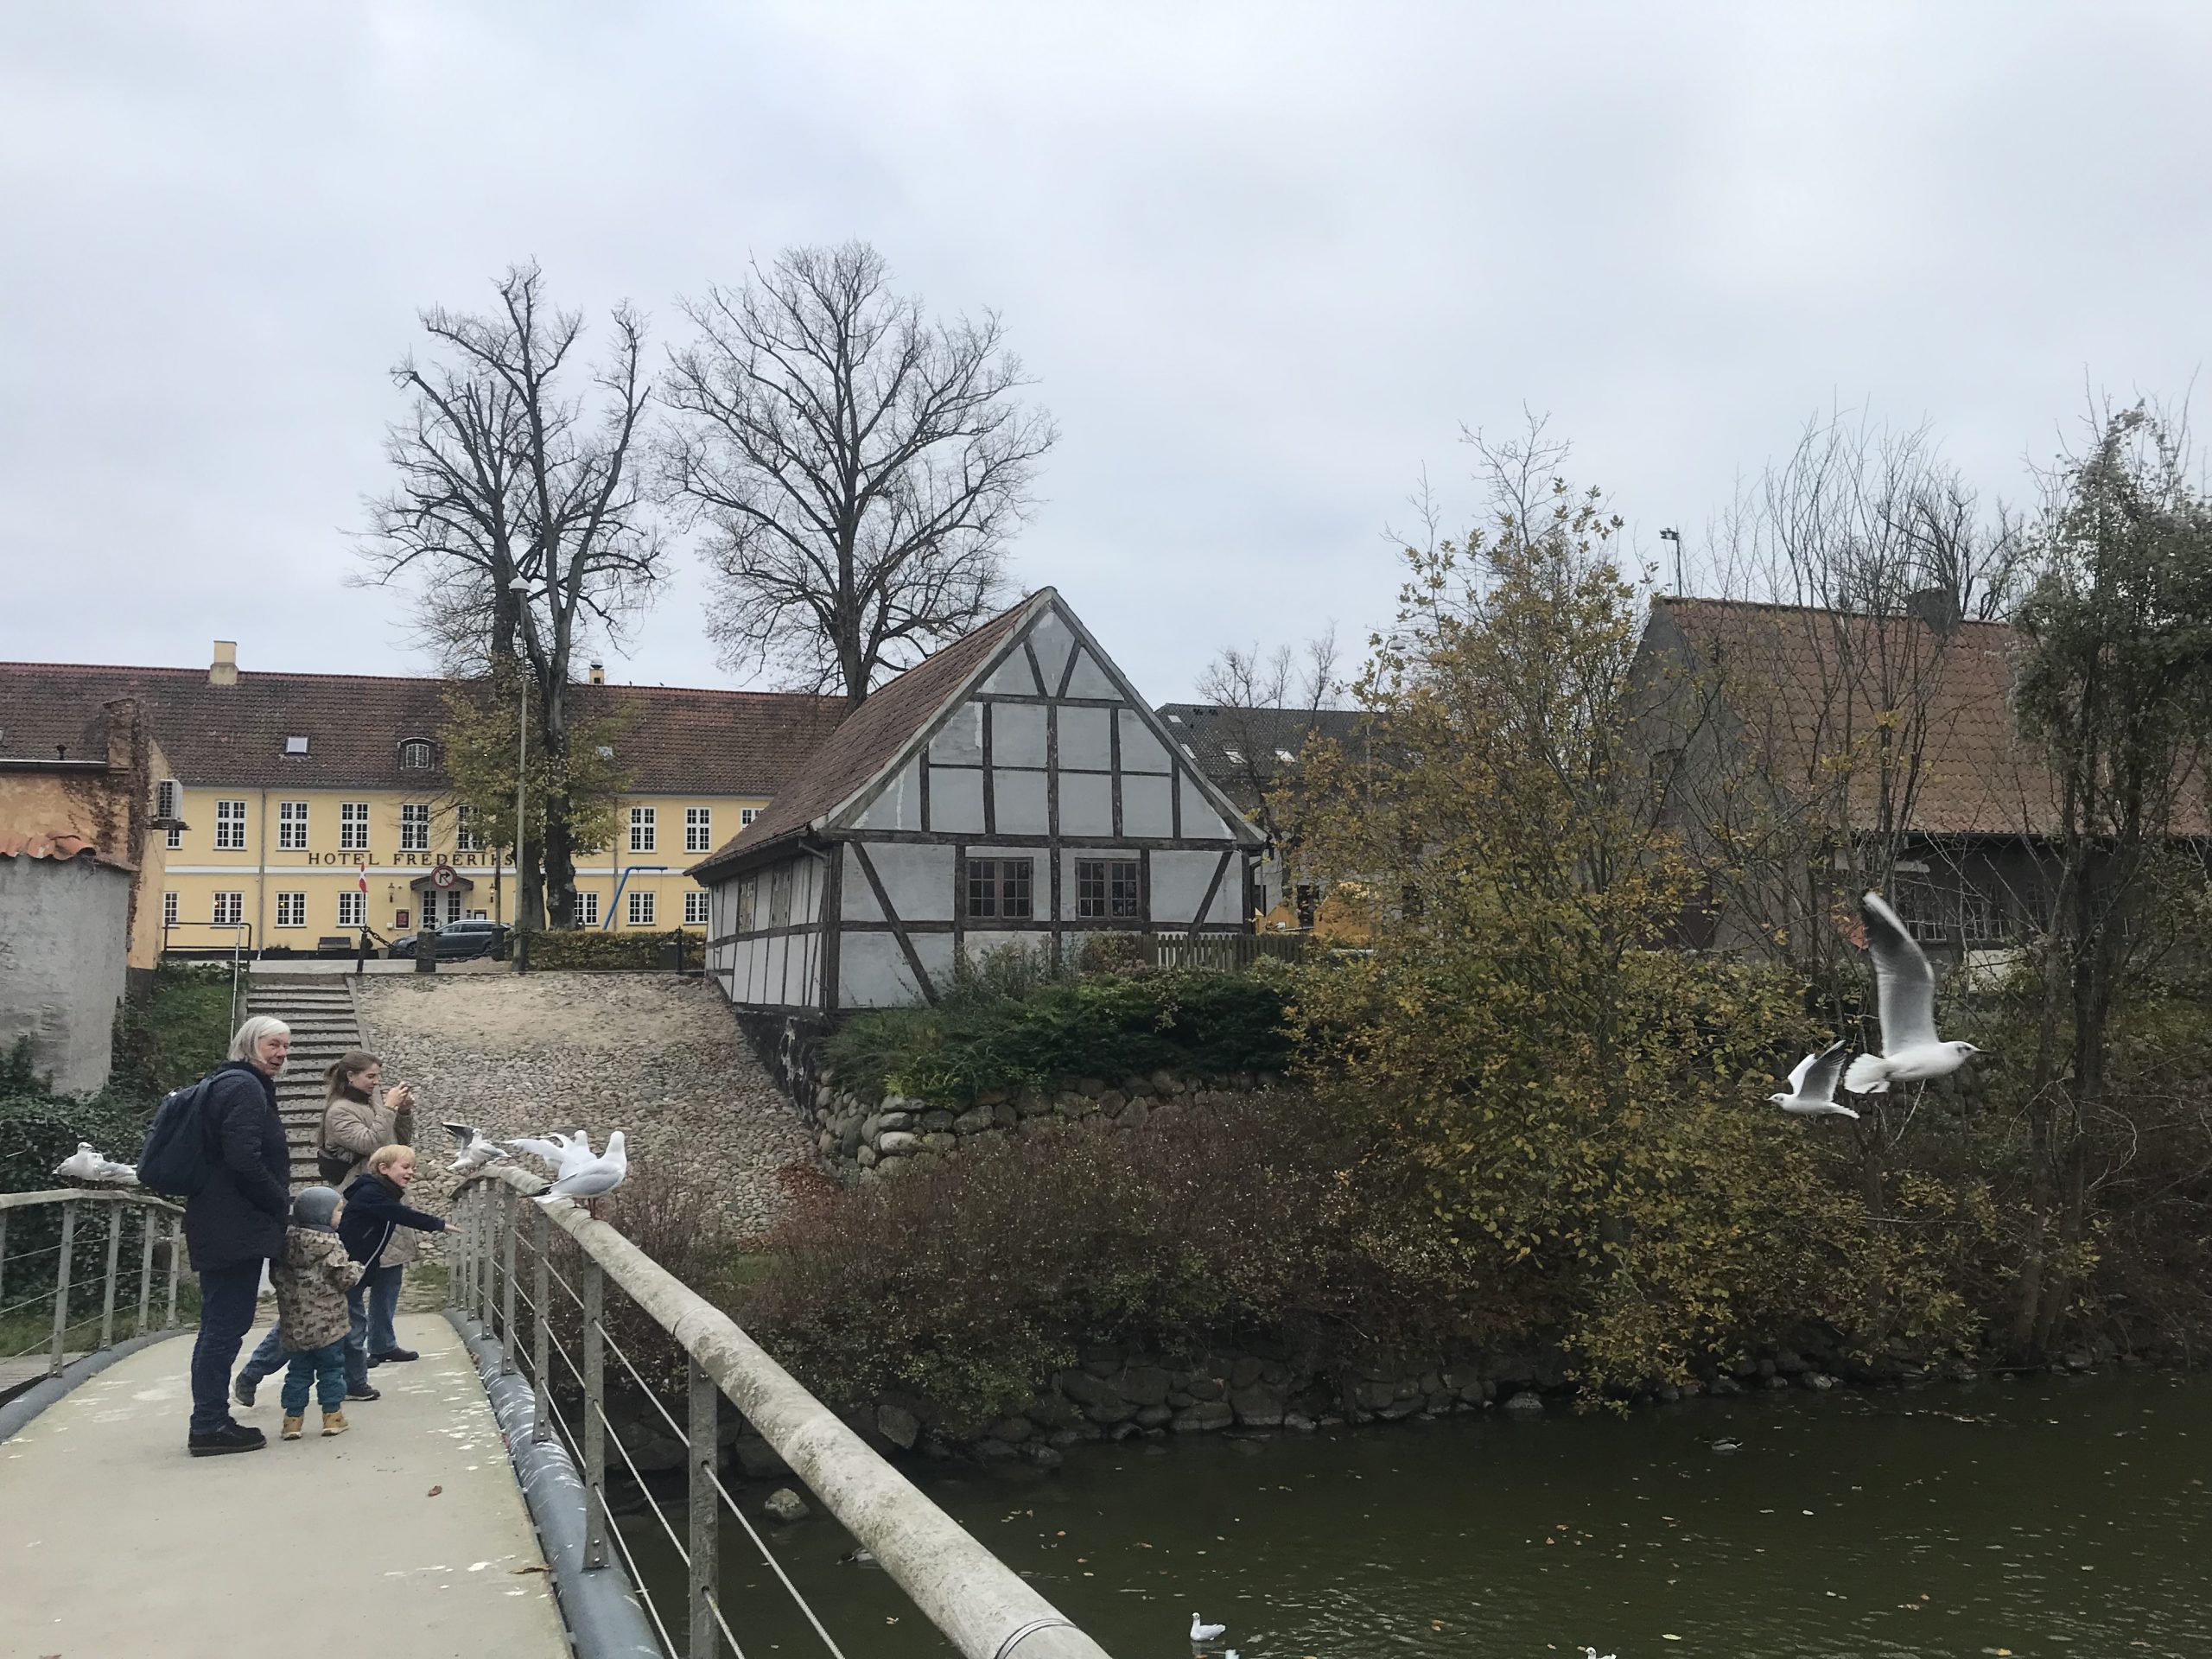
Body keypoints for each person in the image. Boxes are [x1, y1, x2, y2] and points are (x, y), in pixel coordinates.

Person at [232, 1050, 416, 1408]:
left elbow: (396, 1147)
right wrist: (389, 1109)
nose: (376, 1083)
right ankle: (256, 1373)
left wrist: (403, 1113)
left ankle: (369, 1360)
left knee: (375, 1285)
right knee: (321, 1306)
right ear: (351, 1077)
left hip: (381, 1206)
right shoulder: (339, 1111)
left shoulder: (375, 1107)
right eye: (370, 1077)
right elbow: (370, 1144)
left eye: (378, 1076)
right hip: (357, 1211)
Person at [185, 1014, 292, 1457]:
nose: (281, 1054)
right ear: (249, 1045)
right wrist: (280, 1201)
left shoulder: (231, 1083)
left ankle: (210, 1419)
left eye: (285, 1046)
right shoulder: (245, 1087)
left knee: (222, 1325)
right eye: (273, 1045)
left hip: (221, 1221)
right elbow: (243, 1158)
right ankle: (208, 1425)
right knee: (224, 1328)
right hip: (232, 1226)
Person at [338, 1144, 448, 1388]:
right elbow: (403, 1215)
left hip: (359, 1267)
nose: (411, 1172)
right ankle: (353, 1379)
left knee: (351, 1318)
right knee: (347, 1320)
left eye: (413, 1168)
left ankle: (357, 1375)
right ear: (383, 1168)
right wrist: (438, 1224)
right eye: (406, 1167)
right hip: (348, 1268)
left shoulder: (382, 1191)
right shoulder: (372, 1194)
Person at [269, 1185, 362, 1440]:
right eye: (338, 1211)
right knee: (331, 1370)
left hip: (295, 1326)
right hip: (328, 1325)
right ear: (323, 1214)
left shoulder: (284, 1245)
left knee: (297, 1373)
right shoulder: (330, 1244)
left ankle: (292, 1421)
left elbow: (276, 1278)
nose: (340, 1216)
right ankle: (332, 1416)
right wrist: (356, 1268)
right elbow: (343, 1279)